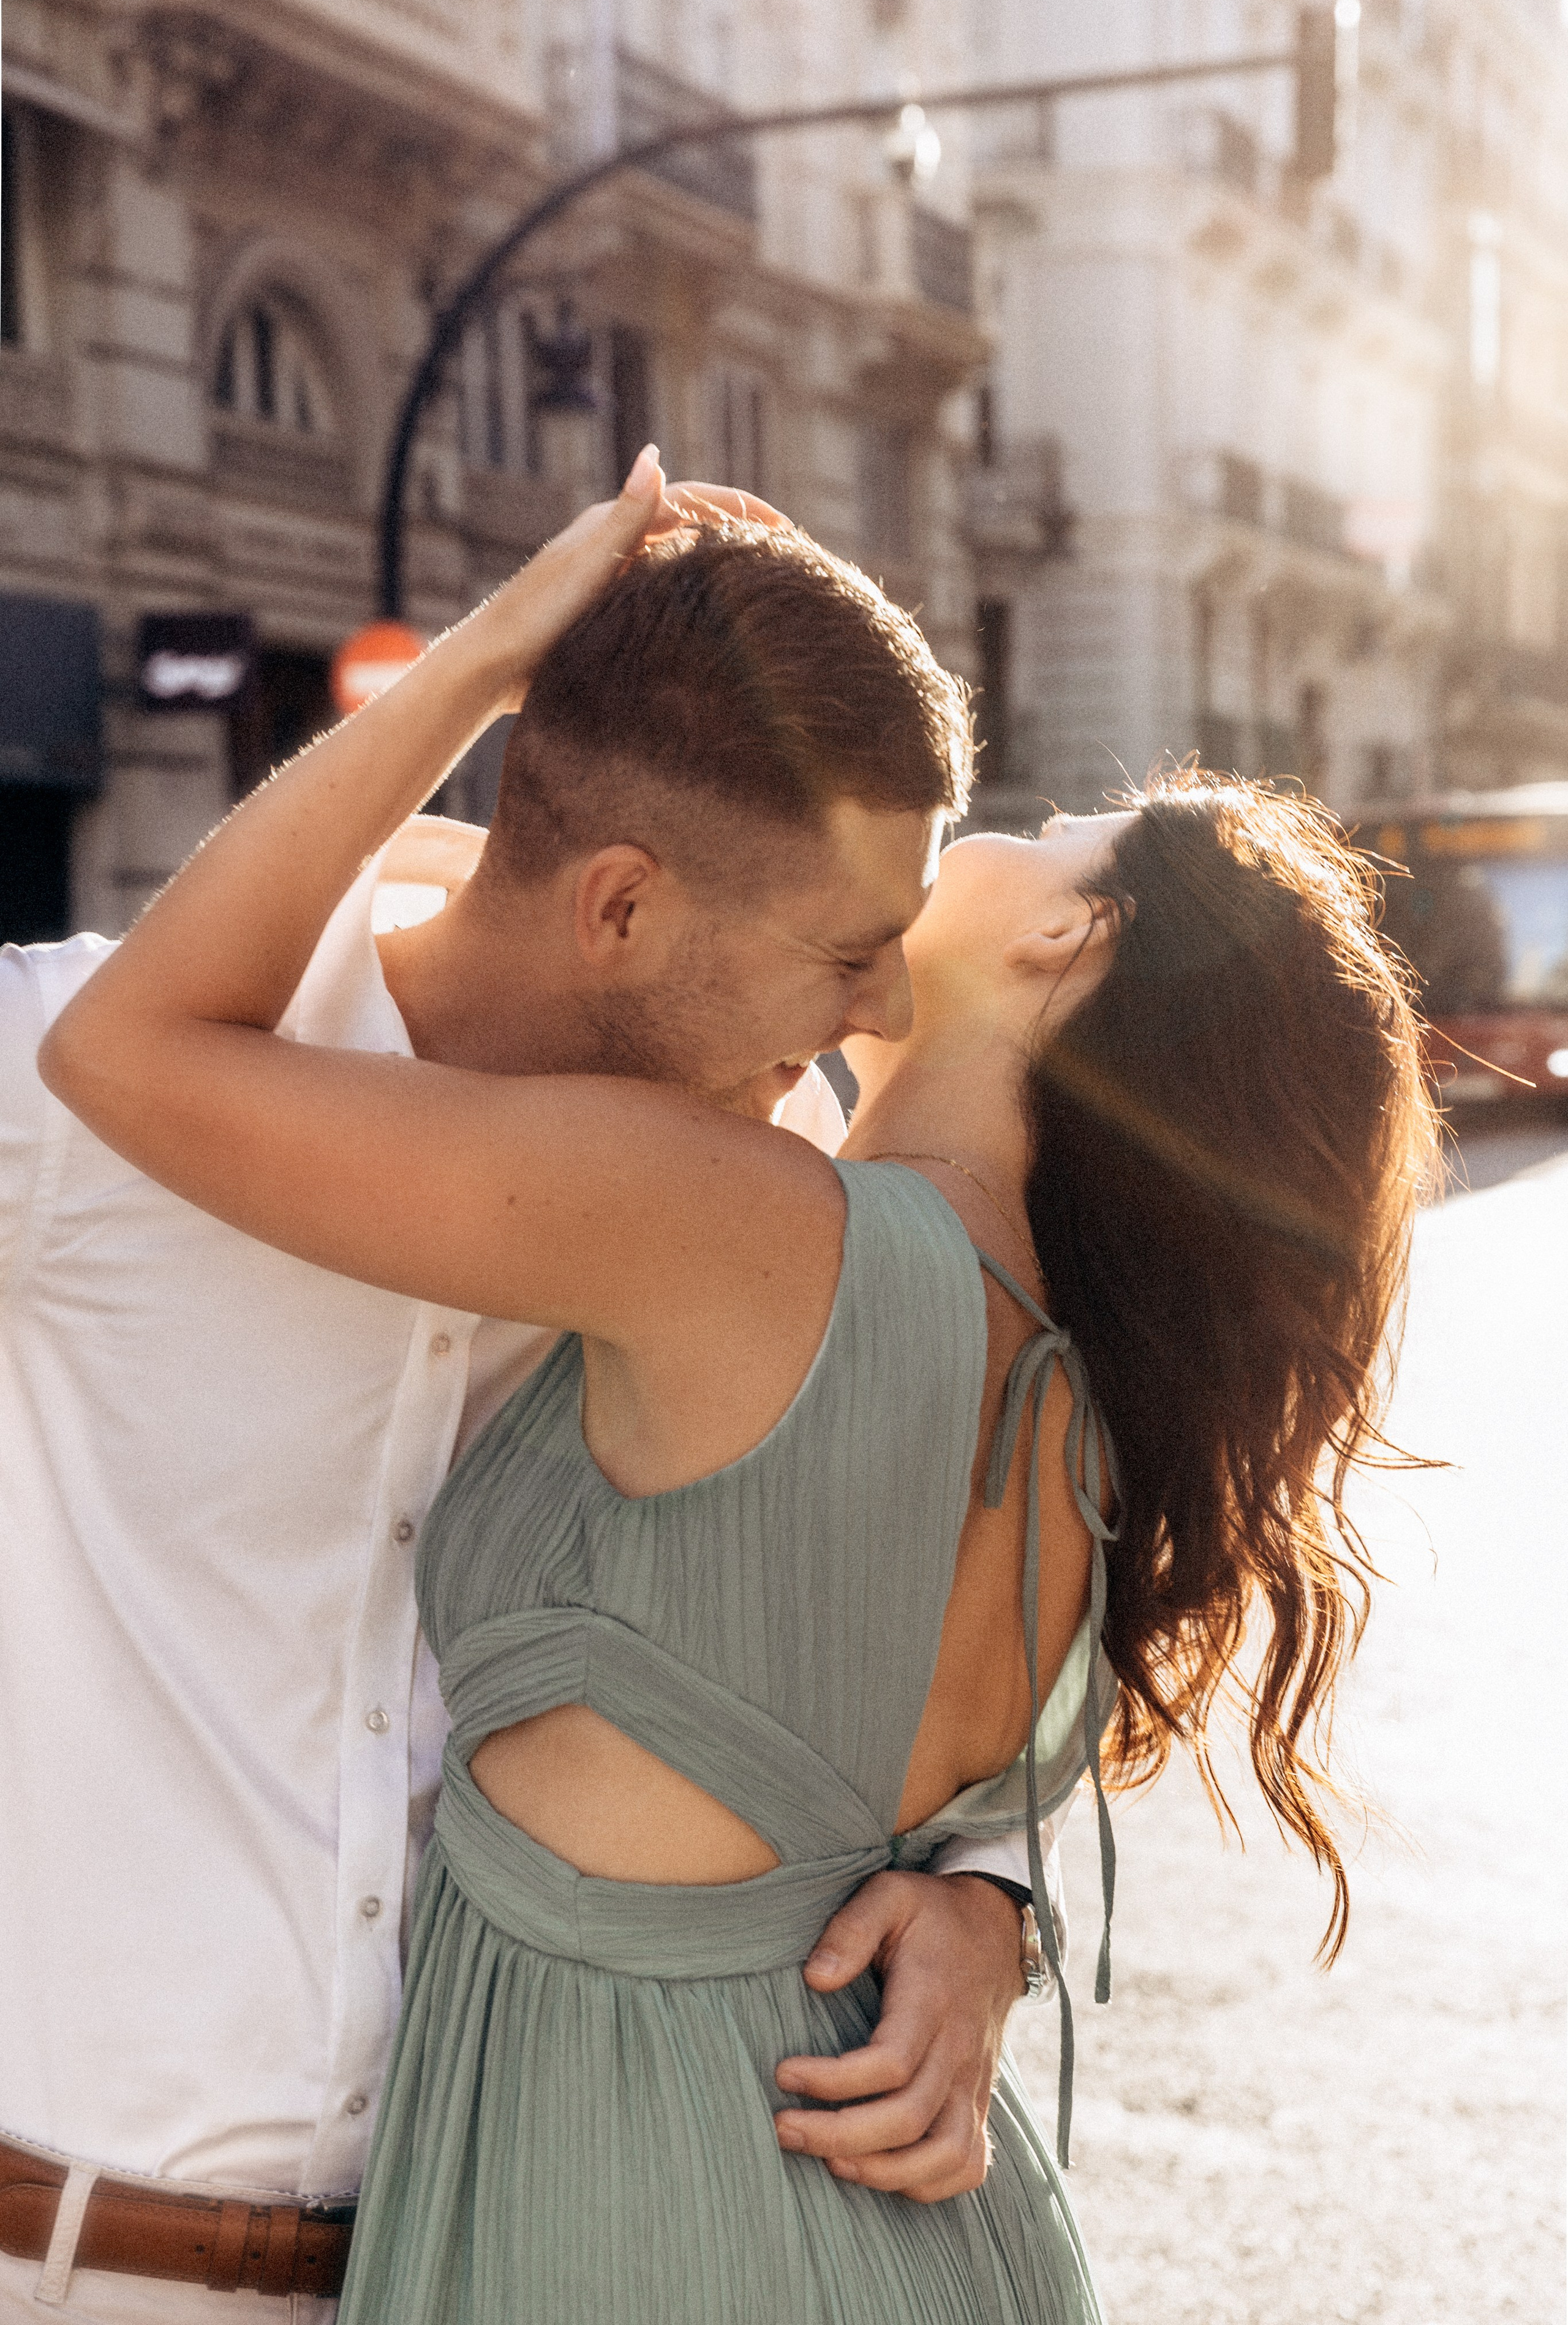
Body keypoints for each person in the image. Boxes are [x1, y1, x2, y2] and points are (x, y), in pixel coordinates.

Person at [40, 454, 1438, 2324]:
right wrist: (980, 1894)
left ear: (1070, 944)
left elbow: (155, 1041)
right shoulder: (1046, 1370)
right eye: (839, 947)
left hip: (599, 2213)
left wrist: (478, 673)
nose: (861, 1006)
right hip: (833, 2223)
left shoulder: (730, 1210)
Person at [0, 477, 1044, 2325]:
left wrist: (983, 1902)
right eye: (842, 949)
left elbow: (915, 1599)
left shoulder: (773, 1216)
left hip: (486, 2248)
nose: (884, 1013)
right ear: (623, 906)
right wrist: (482, 667)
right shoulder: (72, 1103)